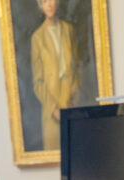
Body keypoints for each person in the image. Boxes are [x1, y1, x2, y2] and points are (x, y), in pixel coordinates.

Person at [31, 0, 79, 150]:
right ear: (41, 6)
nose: (49, 5)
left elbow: (77, 66)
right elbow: (38, 82)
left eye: (51, 0)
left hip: (70, 101)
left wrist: (75, 95)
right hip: (52, 106)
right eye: (44, 2)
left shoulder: (68, 30)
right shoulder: (37, 38)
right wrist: (53, 108)